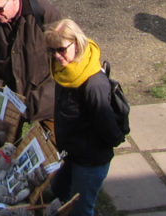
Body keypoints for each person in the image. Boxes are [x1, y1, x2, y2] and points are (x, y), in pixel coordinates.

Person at [44, 19, 125, 216]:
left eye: (61, 50)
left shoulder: (93, 85)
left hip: (90, 160)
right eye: (51, 51)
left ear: (77, 43)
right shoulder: (65, 71)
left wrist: (93, 145)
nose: (56, 56)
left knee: (81, 210)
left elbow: (107, 126)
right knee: (57, 191)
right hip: (72, 153)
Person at [0, 0, 61, 126]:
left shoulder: (44, 13)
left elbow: (64, 56)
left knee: (50, 145)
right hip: (9, 100)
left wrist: (50, 95)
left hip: (42, 98)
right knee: (2, 145)